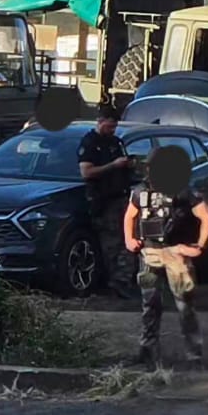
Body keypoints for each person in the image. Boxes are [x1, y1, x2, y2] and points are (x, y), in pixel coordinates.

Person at [124, 162, 208, 369]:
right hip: (149, 252)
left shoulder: (183, 190)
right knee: (150, 305)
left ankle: (194, 357)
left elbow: (206, 216)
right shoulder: (140, 191)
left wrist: (199, 247)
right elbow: (130, 215)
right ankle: (147, 351)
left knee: (185, 306)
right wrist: (129, 239)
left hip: (176, 253)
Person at [77, 103, 135, 297]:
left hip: (122, 197)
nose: (112, 130)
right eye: (109, 126)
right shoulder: (90, 142)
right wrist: (113, 165)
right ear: (99, 122)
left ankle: (123, 281)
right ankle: (112, 282)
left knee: (127, 241)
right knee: (111, 244)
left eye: (114, 127)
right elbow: (86, 172)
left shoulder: (116, 142)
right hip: (104, 200)